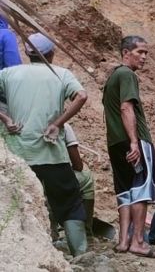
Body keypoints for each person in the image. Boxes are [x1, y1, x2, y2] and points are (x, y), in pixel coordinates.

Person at [0, 33, 89, 255]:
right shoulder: (61, 74)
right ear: (51, 53)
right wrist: (58, 123)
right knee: (69, 203)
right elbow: (82, 96)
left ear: (27, 53)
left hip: (18, 154)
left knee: (19, 203)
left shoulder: (8, 73)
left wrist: (6, 119)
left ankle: (22, 254)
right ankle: (80, 253)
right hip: (51, 154)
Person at [102, 35, 155, 257]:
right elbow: (127, 108)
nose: (144, 57)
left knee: (125, 191)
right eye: (140, 52)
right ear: (126, 53)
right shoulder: (127, 75)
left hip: (115, 141)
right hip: (132, 140)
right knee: (141, 190)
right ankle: (138, 241)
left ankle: (123, 241)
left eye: (146, 53)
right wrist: (135, 142)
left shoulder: (113, 77)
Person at [62, 123, 96, 239]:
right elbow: (78, 165)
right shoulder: (63, 126)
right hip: (56, 174)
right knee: (86, 177)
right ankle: (87, 231)